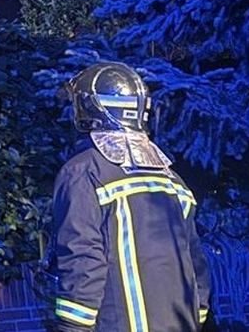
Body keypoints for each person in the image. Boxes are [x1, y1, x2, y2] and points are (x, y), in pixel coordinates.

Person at [49, 62, 212, 332]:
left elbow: (83, 261)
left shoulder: (82, 172)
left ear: (90, 107)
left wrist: (72, 327)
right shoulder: (172, 180)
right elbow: (198, 268)